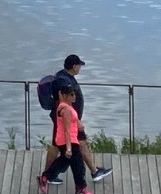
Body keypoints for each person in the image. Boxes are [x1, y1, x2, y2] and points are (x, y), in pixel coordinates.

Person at [41, 55, 111, 184]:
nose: (79, 68)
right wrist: (76, 120)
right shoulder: (63, 81)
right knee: (64, 145)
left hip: (69, 119)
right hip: (67, 120)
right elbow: (65, 102)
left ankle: (48, 175)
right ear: (74, 66)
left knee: (67, 144)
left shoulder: (64, 77)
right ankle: (48, 176)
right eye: (79, 65)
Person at [38, 86, 93, 194]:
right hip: (69, 141)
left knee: (64, 162)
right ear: (63, 95)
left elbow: (73, 121)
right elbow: (67, 129)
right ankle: (81, 189)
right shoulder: (66, 109)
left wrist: (78, 124)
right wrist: (68, 148)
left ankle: (45, 177)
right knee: (78, 165)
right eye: (71, 95)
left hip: (68, 140)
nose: (74, 97)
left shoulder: (66, 107)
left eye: (74, 94)